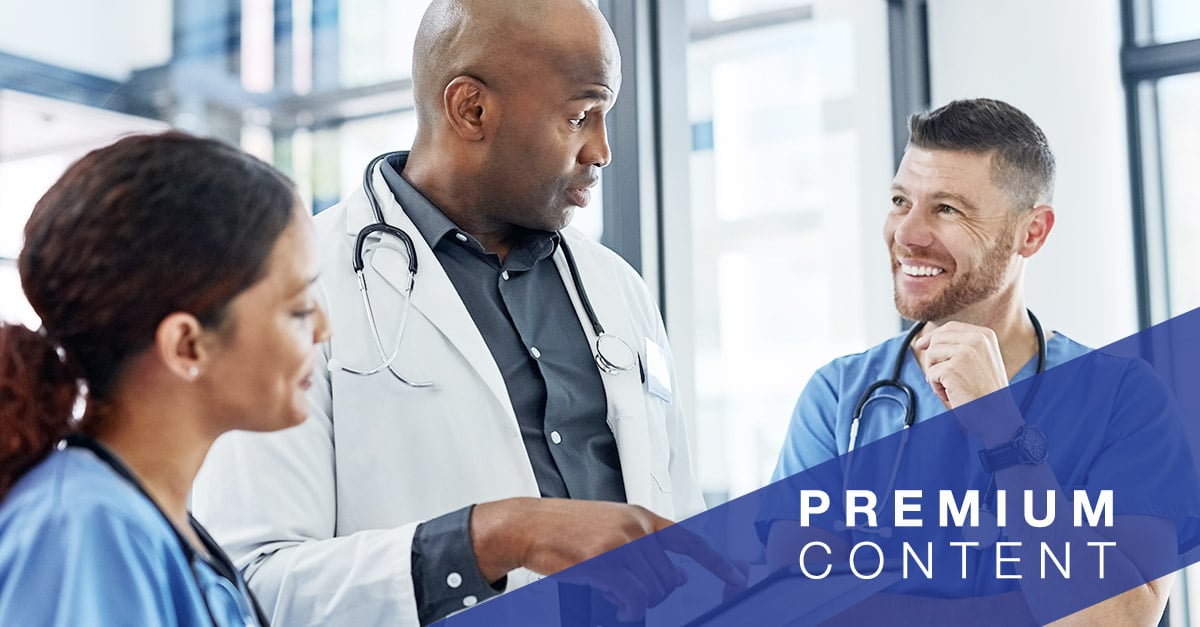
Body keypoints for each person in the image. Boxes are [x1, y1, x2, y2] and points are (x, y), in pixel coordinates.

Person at [192, 1, 739, 625]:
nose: (602, 151)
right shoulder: (294, 286)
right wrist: (490, 538)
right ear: (470, 109)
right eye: (580, 116)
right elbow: (252, 584)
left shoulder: (619, 291)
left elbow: (679, 527)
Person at [765, 98, 1200, 624]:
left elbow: (1116, 619)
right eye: (902, 200)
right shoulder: (839, 396)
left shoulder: (1125, 401)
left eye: (947, 208)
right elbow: (792, 606)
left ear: (1032, 232)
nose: (907, 234)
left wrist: (1005, 434)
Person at [0, 132, 330, 625]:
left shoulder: (152, 519)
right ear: (187, 346)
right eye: (299, 310)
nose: (324, 330)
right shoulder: (84, 528)